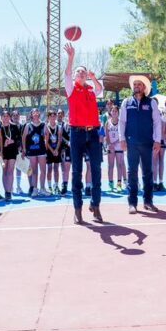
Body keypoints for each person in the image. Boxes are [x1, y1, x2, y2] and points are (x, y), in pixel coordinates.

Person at [64, 42, 105, 224]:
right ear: (74, 76)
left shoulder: (90, 89)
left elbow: (100, 90)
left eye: (83, 72)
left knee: (96, 170)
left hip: (93, 133)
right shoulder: (71, 88)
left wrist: (94, 78)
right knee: (77, 172)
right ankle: (78, 209)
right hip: (77, 133)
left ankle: (95, 206)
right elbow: (66, 74)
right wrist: (71, 58)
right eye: (78, 72)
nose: (81, 73)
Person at [119, 75, 162, 214]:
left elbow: (157, 123)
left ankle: (148, 201)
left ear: (144, 88)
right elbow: (122, 122)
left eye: (139, 84)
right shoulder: (126, 102)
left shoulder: (151, 103)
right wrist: (122, 139)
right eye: (135, 84)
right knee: (132, 173)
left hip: (147, 142)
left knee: (148, 173)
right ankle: (132, 203)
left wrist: (157, 140)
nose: (136, 86)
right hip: (131, 143)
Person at [23, 108, 48, 197]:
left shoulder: (43, 124)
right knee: (34, 171)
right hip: (32, 151)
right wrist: (24, 149)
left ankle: (42, 188)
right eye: (34, 112)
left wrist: (46, 145)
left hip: (41, 150)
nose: (36, 114)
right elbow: (24, 137)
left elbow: (47, 135)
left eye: (37, 112)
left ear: (39, 114)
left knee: (43, 170)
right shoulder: (28, 125)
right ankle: (35, 189)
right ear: (31, 114)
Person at [104, 105, 126, 192]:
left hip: (119, 145)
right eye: (112, 111)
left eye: (115, 111)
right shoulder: (107, 123)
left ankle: (119, 184)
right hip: (111, 147)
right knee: (110, 165)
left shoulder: (121, 123)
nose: (114, 113)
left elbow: (123, 134)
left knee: (120, 165)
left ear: (118, 113)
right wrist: (110, 144)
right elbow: (106, 135)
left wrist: (117, 142)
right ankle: (110, 184)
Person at [0, 111, 20, 200]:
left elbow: (19, 139)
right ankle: (6, 190)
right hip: (3, 152)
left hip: (12, 151)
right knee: (5, 171)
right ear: (1, 117)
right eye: (4, 116)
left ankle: (9, 192)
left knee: (10, 171)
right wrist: (4, 145)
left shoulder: (14, 127)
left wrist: (13, 141)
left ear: (9, 117)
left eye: (7, 116)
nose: (6, 118)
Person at [45, 110, 63, 195]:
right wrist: (52, 151)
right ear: (48, 118)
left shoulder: (58, 127)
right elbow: (46, 141)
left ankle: (56, 186)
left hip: (57, 150)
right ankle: (49, 186)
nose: (53, 118)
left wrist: (56, 150)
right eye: (51, 116)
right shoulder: (46, 127)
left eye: (54, 116)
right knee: (49, 169)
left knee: (56, 168)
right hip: (49, 151)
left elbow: (59, 139)